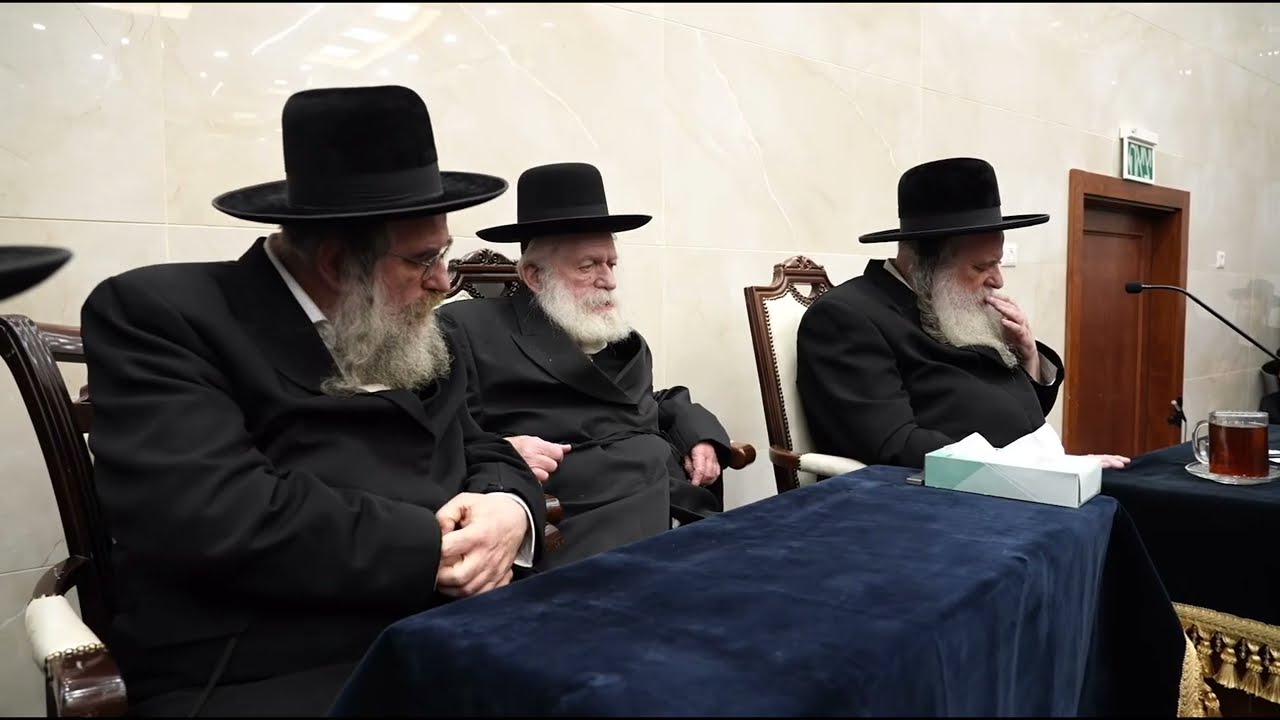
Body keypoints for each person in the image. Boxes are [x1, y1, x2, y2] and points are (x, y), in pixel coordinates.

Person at [79, 85, 545, 716]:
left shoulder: (409, 327)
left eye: (443, 253)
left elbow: (479, 442)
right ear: (334, 263)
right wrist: (431, 549)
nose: (444, 282)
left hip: (459, 631)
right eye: (423, 260)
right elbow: (214, 513)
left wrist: (509, 509)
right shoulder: (162, 315)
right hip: (275, 667)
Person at [437, 162, 732, 570]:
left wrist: (697, 432)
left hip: (675, 503)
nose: (608, 279)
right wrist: (504, 450)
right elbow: (436, 435)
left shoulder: (620, 337)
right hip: (583, 518)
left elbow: (646, 402)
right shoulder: (467, 328)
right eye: (588, 266)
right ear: (534, 275)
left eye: (611, 263)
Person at [796, 157, 1129, 470]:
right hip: (958, 496)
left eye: (998, 262)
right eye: (981, 267)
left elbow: (1017, 413)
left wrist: (1028, 357)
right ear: (924, 265)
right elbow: (893, 445)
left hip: (1036, 477)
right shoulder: (846, 319)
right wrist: (1032, 469)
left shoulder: (951, 302)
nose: (998, 280)